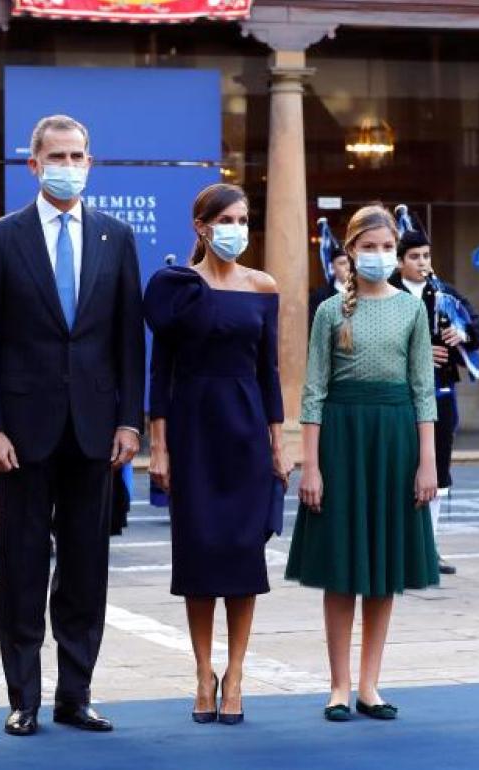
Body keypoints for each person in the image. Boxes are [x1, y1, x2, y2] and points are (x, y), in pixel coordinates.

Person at [0, 114, 145, 737]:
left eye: (78, 155)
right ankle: (24, 698)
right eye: (57, 155)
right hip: (22, 431)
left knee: (86, 564)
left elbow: (128, 338)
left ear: (90, 163)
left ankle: (76, 693)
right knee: (20, 565)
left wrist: (130, 420)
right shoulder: (0, 238)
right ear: (33, 164)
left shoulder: (116, 237)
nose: (69, 165)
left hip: (95, 430)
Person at [285, 204, 438, 723]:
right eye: (368, 248)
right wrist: (311, 465)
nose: (379, 256)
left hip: (394, 439)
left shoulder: (412, 309)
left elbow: (423, 389)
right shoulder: (330, 311)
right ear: (349, 252)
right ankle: (338, 685)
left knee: (383, 566)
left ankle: (371, 684)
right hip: (342, 439)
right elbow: (313, 391)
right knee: (341, 568)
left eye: (386, 248)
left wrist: (427, 463)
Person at [145, 183, 289, 726]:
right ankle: (203, 673)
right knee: (200, 556)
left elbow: (269, 371)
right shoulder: (178, 287)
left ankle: (237, 673)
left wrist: (279, 443)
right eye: (226, 219)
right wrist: (159, 446)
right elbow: (161, 370)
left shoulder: (263, 286)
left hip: (247, 430)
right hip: (193, 430)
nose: (237, 228)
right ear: (201, 226)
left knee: (243, 558)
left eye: (244, 218)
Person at [389, 207, 479, 576]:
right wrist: (415, 353)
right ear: (399, 261)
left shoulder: (444, 292)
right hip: (397, 396)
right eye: (414, 257)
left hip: (441, 393)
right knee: (400, 469)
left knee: (438, 471)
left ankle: (429, 548)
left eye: (426, 256)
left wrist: (463, 334)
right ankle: (398, 548)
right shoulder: (387, 292)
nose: (422, 262)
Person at [308, 239, 351, 331]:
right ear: (332, 267)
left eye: (351, 262)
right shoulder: (320, 296)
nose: (348, 267)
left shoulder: (366, 292)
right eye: (342, 263)